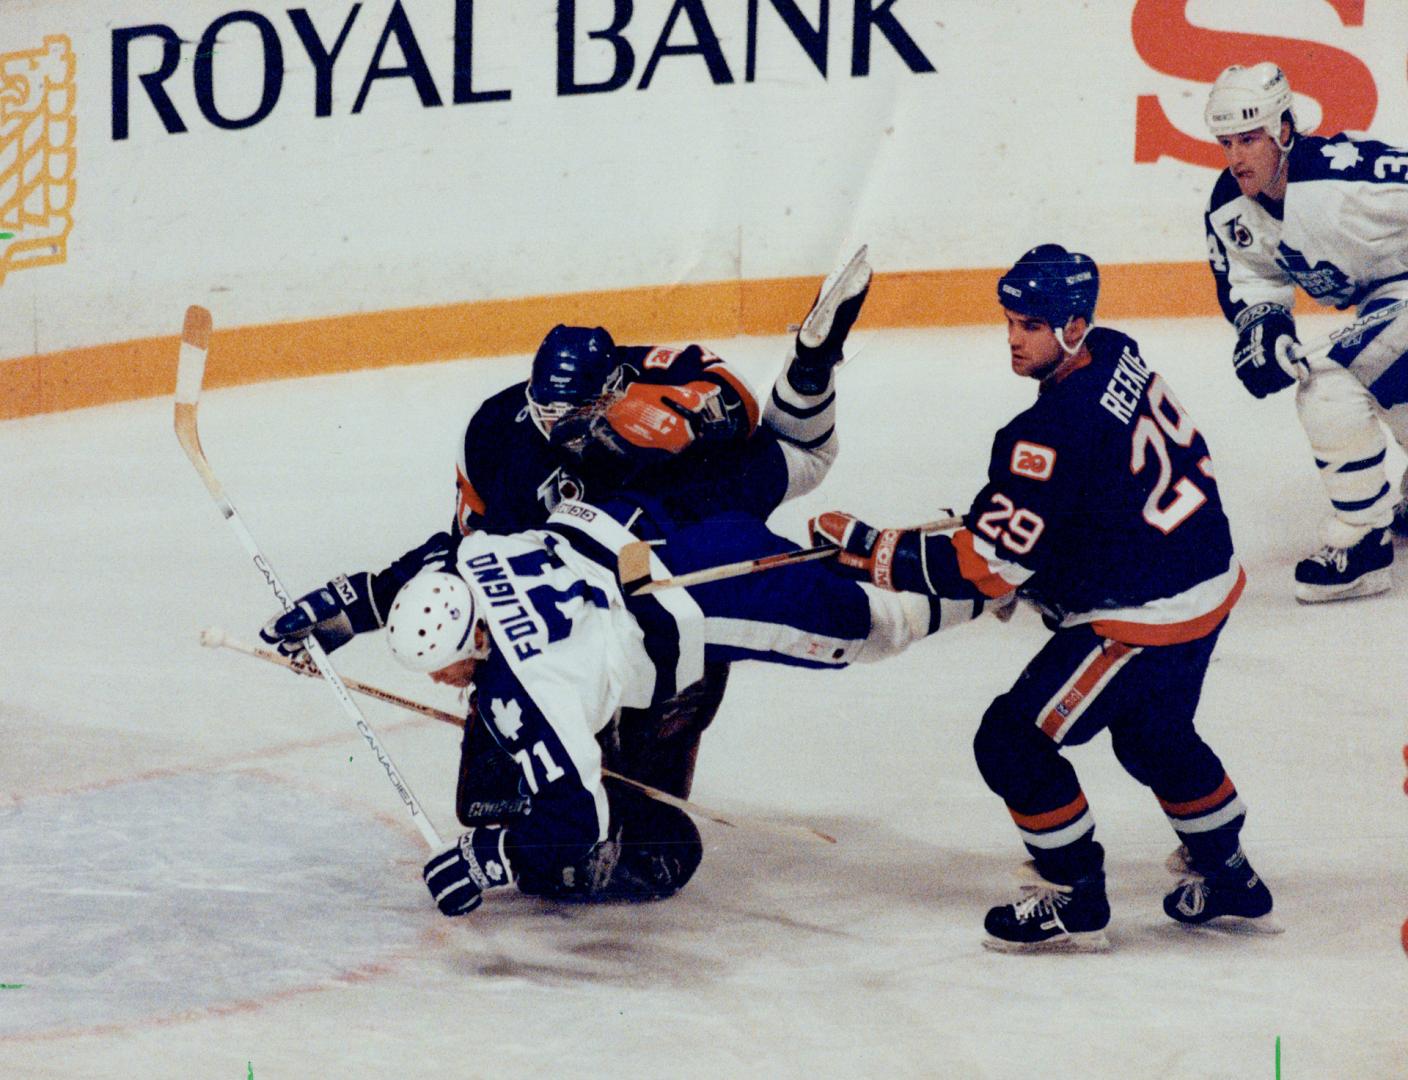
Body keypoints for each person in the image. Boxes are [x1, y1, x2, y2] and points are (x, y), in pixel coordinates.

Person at [261, 250, 871, 837]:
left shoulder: (662, 431)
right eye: (545, 412)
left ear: (613, 392)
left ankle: (625, 808)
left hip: (653, 607)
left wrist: (688, 421)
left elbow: (755, 428)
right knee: (491, 807)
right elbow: (464, 558)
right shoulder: (498, 438)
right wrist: (360, 603)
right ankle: (811, 367)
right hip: (569, 617)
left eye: (575, 417)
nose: (558, 431)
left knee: (640, 811)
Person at [809, 245, 1280, 952]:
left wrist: (874, 552)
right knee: (1155, 735)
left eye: (1030, 324)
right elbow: (1090, 492)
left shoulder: (1049, 433)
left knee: (1011, 742)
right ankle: (1231, 873)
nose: (1013, 337)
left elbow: (989, 570)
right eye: (1009, 320)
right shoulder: (1117, 352)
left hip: (1144, 611)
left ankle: (1071, 893)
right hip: (1207, 574)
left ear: (1073, 326)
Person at [1203, 61, 1408, 602]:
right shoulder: (1231, 210)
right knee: (1367, 356)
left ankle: (1362, 543)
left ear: (1284, 132)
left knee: (1329, 378)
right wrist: (1266, 334)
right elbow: (1253, 283)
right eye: (1228, 143)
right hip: (1391, 303)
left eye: (1250, 139)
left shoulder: (1345, 176)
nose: (1237, 157)